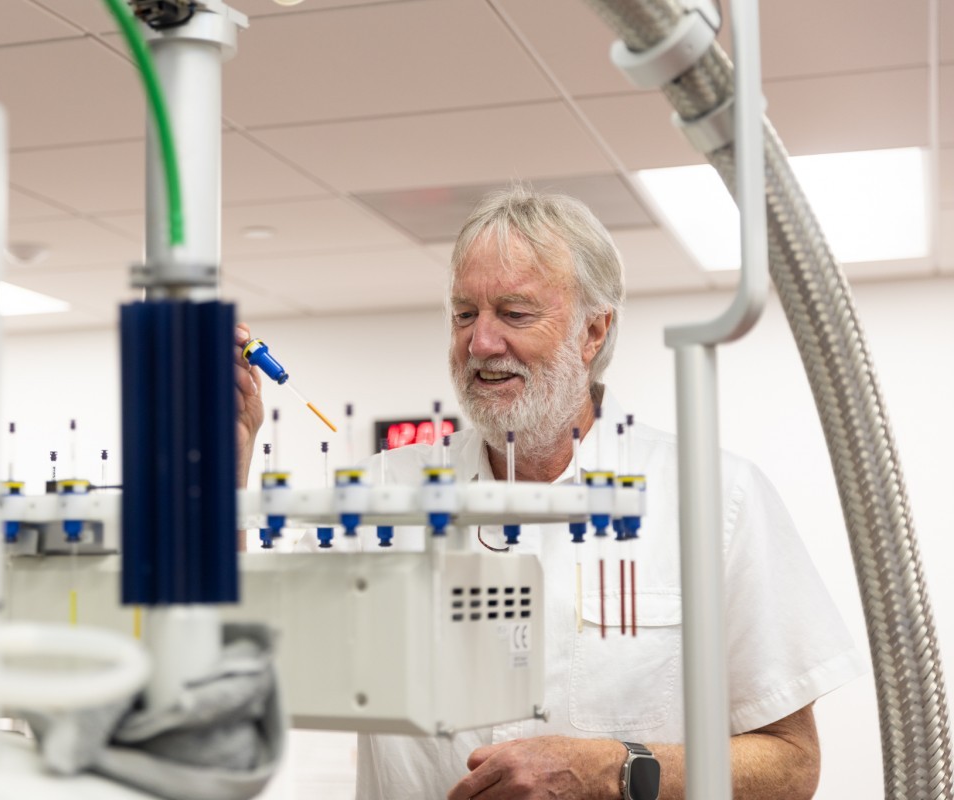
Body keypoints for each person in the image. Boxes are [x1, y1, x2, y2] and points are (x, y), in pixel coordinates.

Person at [234, 187, 864, 799]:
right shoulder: (381, 494)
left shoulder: (714, 498)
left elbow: (790, 765)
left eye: (514, 313)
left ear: (593, 331)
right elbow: (234, 655)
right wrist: (224, 468)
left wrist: (616, 771)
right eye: (463, 314)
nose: (480, 343)